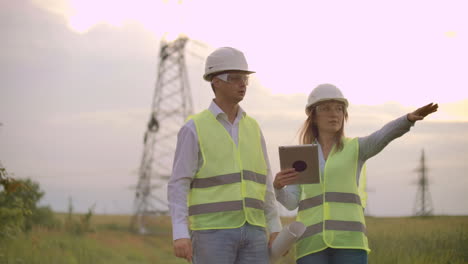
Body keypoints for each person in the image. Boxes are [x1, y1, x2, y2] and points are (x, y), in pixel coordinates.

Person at [273, 83, 438, 264]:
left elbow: (383, 135)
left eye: (339, 109)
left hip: (350, 243)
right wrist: (279, 188)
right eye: (326, 109)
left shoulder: (357, 148)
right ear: (313, 116)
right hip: (311, 245)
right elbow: (291, 203)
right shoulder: (301, 156)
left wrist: (407, 120)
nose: (334, 114)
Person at [168, 47, 282, 264]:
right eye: (235, 78)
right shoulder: (194, 128)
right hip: (211, 233)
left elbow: (265, 182)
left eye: (245, 79)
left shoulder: (253, 128)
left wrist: (274, 226)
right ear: (215, 81)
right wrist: (180, 233)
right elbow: (178, 184)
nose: (243, 84)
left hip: (255, 232)